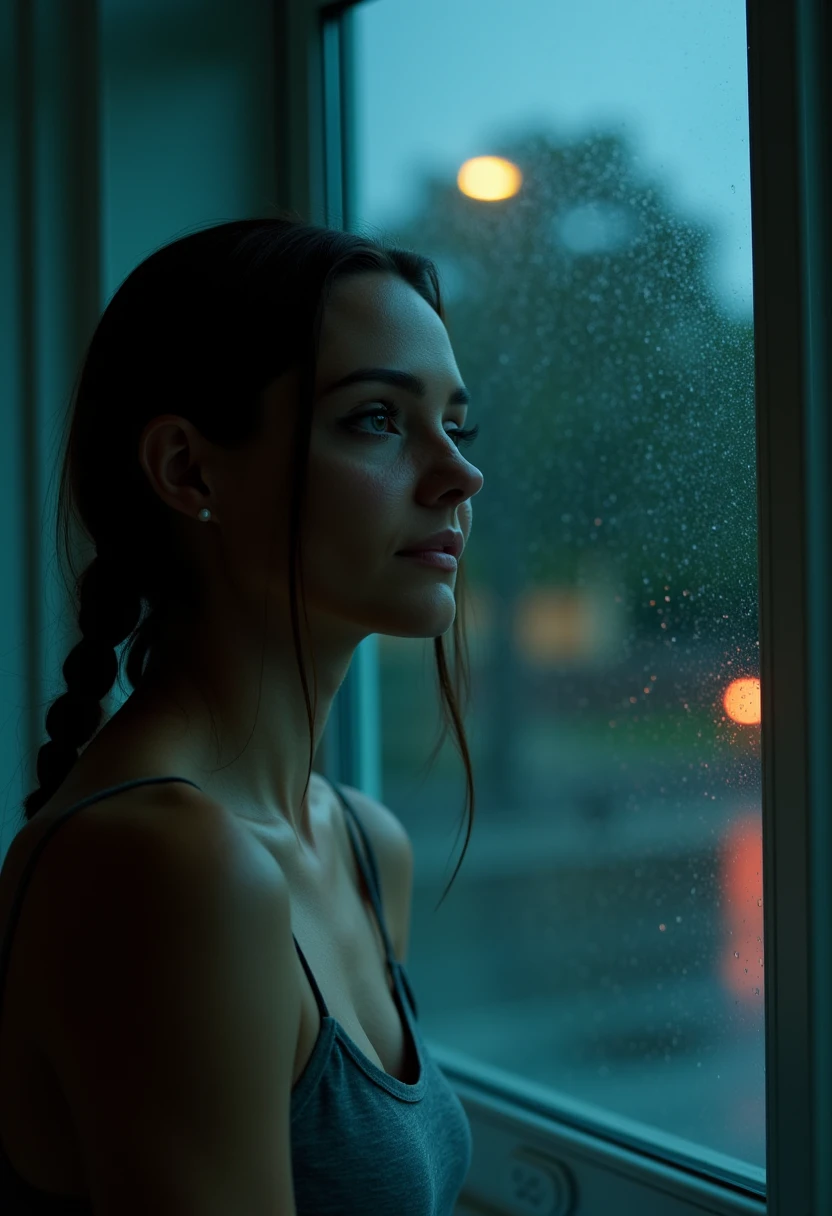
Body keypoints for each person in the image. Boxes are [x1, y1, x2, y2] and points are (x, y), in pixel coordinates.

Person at [0, 216, 483, 1214]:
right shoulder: (167, 869)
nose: (459, 474)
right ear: (188, 470)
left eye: (455, 422)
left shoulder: (360, 840)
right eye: (379, 420)